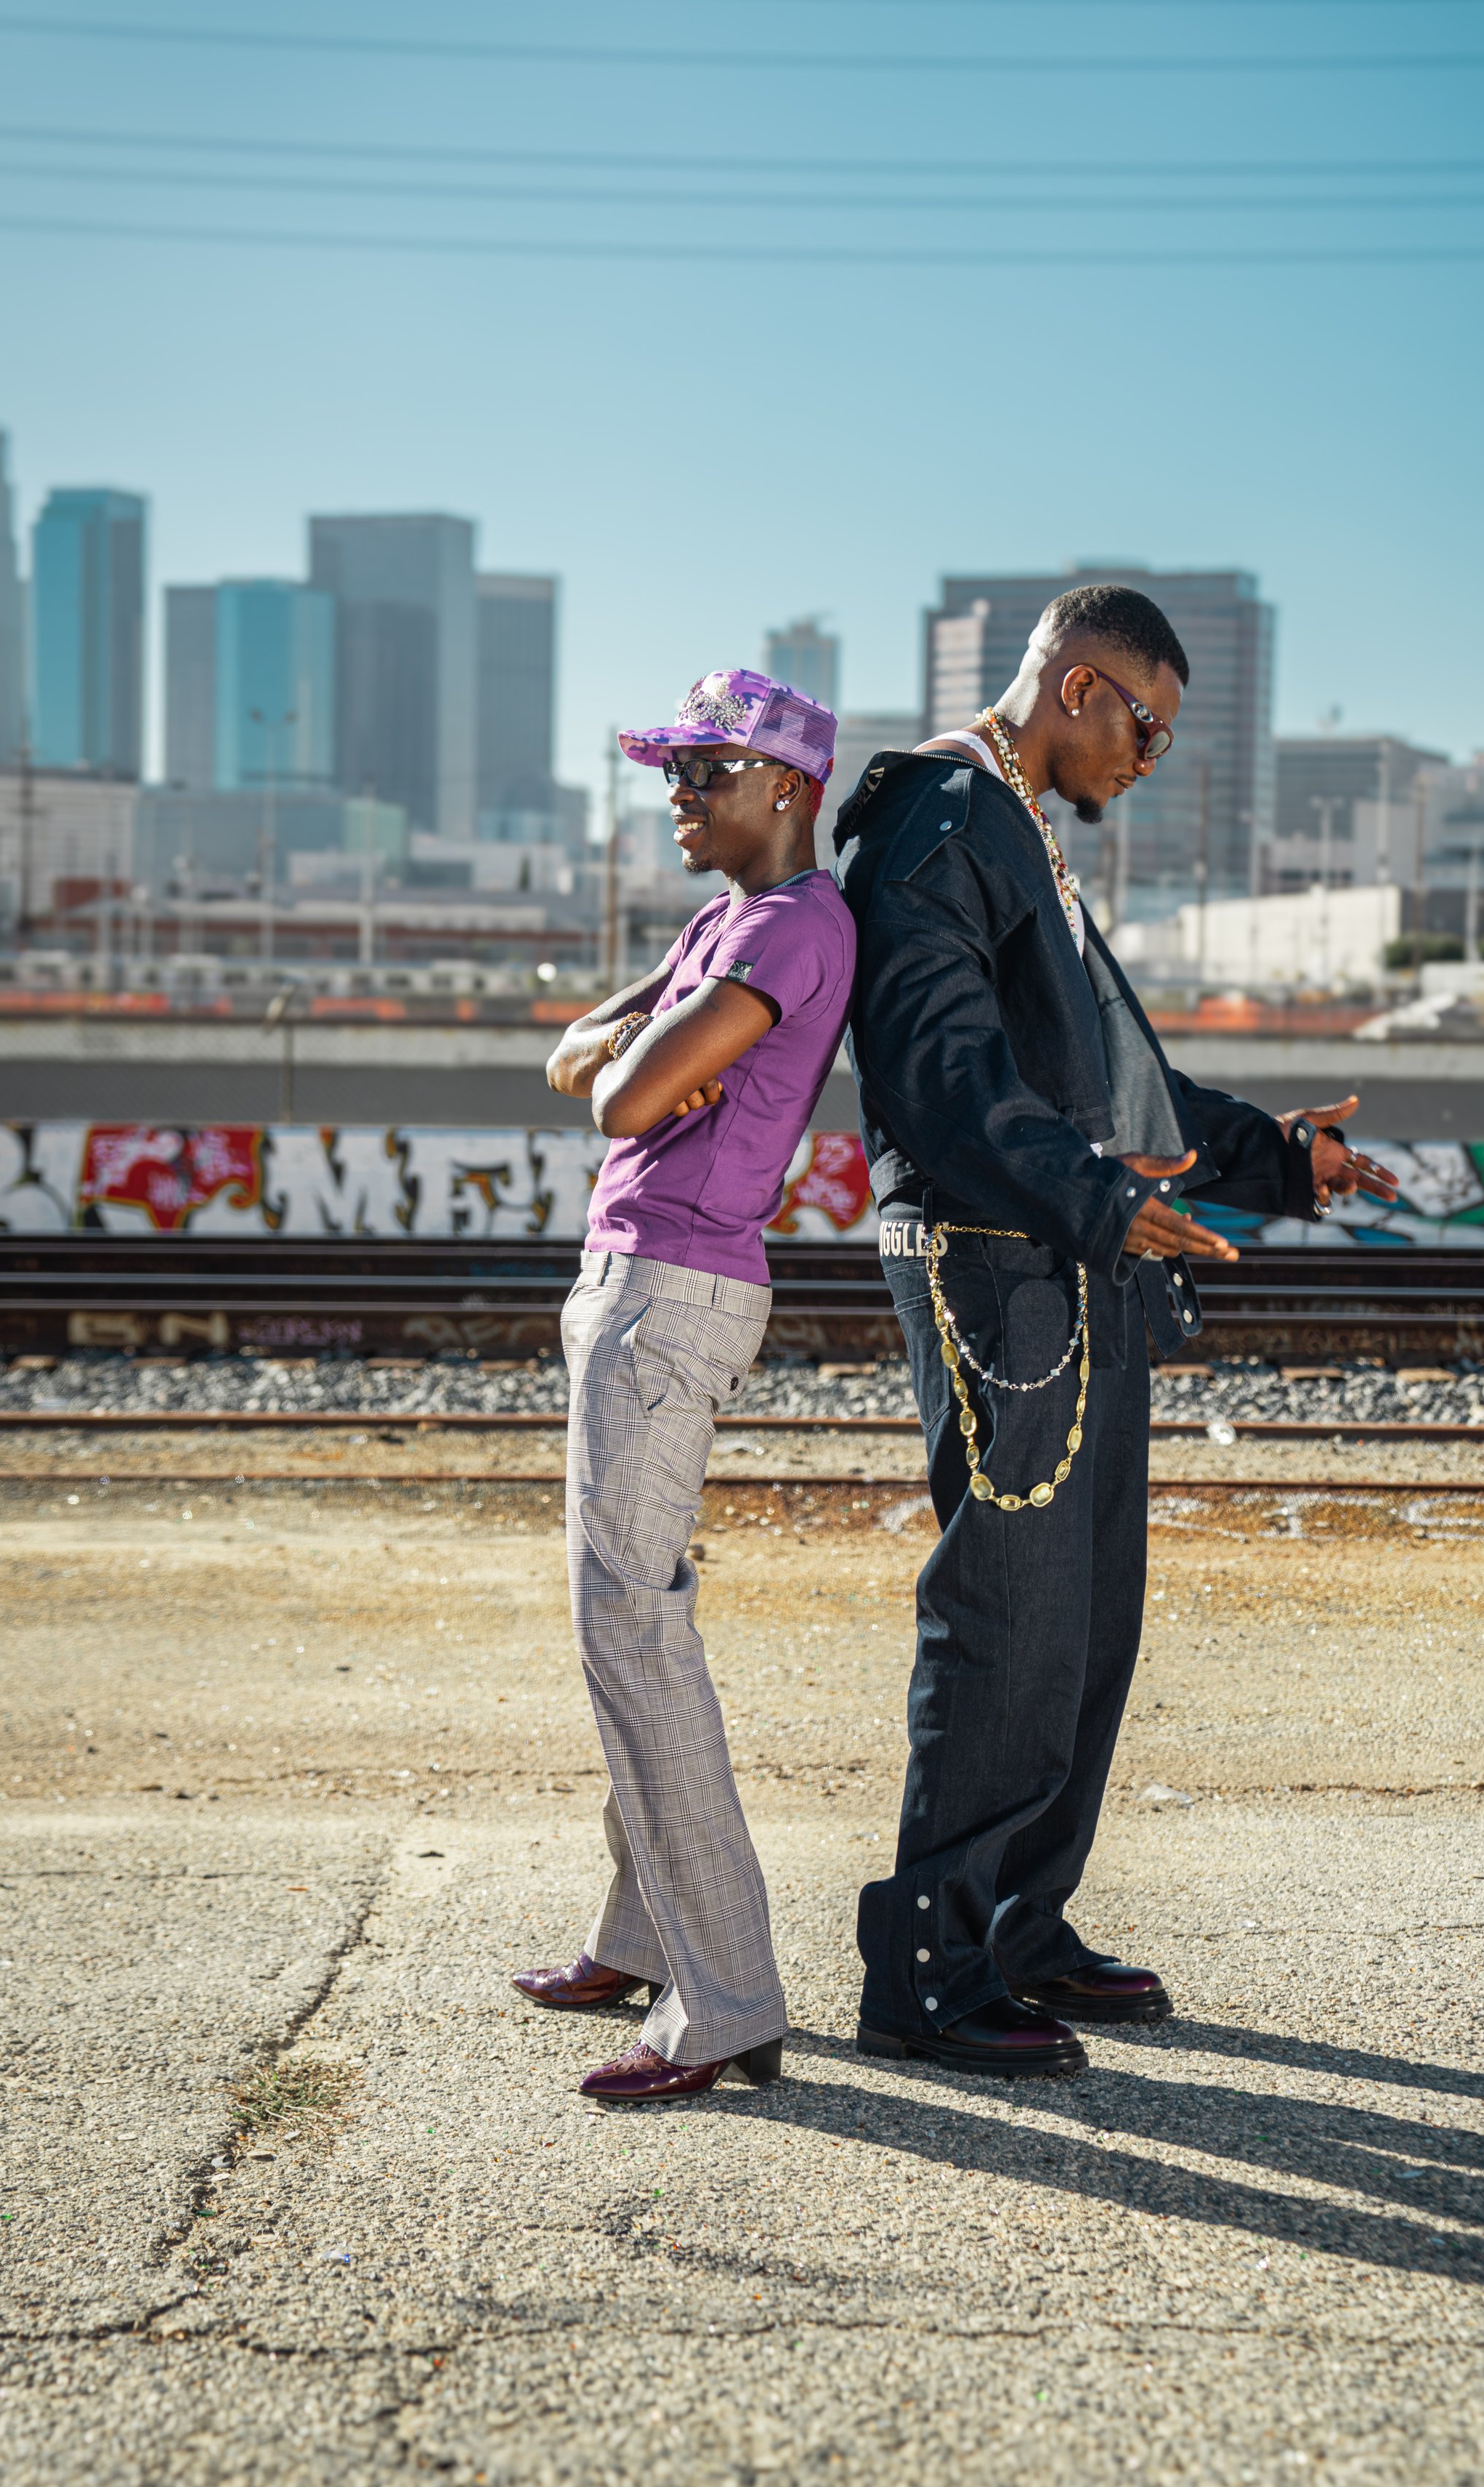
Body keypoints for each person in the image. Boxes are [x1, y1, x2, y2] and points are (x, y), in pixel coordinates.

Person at [835, 583, 1398, 2075]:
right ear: (1079, 685)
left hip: (1062, 1262)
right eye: (1146, 726)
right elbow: (934, 1073)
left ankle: (1016, 1926)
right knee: (1006, 1616)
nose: (1148, 759)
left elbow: (1112, 1100)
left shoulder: (1020, 838)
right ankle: (925, 1973)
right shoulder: (947, 823)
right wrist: (1087, 1199)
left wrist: (1281, 1157)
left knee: (1081, 1623)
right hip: (997, 1265)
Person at [514, 667, 854, 2105]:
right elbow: (574, 1060)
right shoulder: (720, 923)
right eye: (674, 770)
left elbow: (618, 1101)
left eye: (706, 773)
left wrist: (644, 1062)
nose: (678, 796)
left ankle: (723, 2004)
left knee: (632, 1632)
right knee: (626, 1615)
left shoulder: (795, 924)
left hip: (672, 1296)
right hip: (636, 1286)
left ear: (786, 787)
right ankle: (637, 1935)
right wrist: (641, 1052)